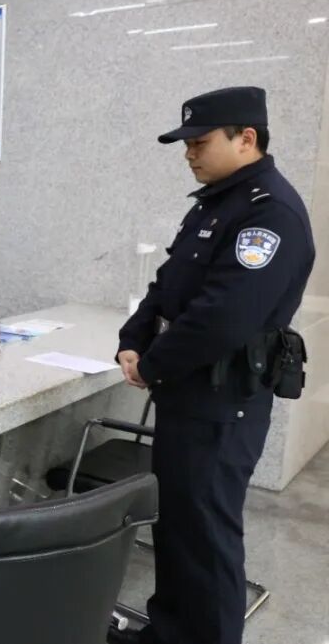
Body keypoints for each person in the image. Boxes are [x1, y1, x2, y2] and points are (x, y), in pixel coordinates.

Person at [110, 87, 314, 644]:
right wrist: (132, 340)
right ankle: (168, 634)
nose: (189, 153)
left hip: (223, 406)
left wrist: (152, 366)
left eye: (199, 143)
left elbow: (222, 318)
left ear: (245, 138)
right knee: (178, 527)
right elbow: (167, 286)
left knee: (206, 538)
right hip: (189, 396)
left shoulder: (270, 214)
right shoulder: (214, 204)